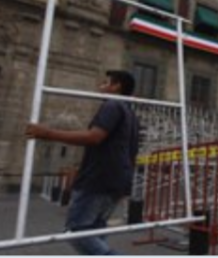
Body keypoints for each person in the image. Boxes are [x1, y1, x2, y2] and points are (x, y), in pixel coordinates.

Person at [25, 70, 140, 257]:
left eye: (105, 83)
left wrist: (48, 133)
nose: (100, 87)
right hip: (116, 181)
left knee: (76, 231)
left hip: (99, 180)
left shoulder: (112, 105)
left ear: (116, 86)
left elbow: (94, 137)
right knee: (95, 230)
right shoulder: (130, 113)